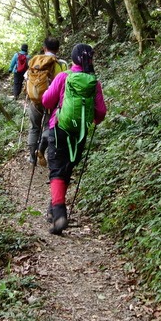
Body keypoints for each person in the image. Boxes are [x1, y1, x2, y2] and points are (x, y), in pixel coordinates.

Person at [42, 43, 106, 235]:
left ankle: (60, 214)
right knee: (66, 168)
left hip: (59, 127)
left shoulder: (63, 77)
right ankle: (53, 209)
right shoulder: (94, 82)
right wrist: (89, 121)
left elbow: (46, 100)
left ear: (73, 59)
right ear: (90, 60)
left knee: (56, 170)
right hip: (79, 134)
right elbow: (101, 112)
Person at [25, 37, 67, 165]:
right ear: (58, 49)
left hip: (34, 101)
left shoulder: (34, 62)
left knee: (34, 128)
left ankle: (32, 158)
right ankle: (42, 149)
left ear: (44, 48)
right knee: (49, 126)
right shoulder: (61, 64)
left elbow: (26, 79)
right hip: (52, 101)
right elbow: (65, 82)